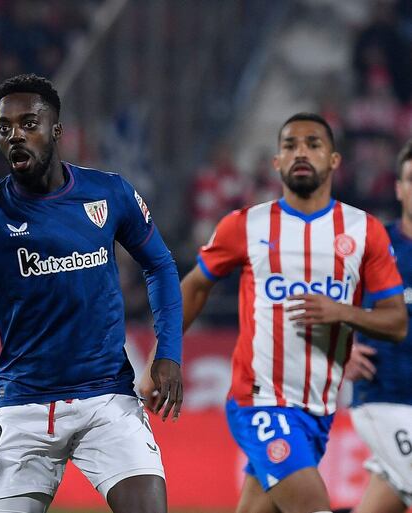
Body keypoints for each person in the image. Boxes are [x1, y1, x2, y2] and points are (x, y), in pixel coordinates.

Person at [0, 74, 183, 513]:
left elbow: (160, 265)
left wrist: (169, 352)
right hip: (23, 408)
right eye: (5, 127)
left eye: (29, 123)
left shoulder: (109, 193)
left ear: (56, 130)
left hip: (106, 398)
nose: (16, 135)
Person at [140, 113, 407, 513]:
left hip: (317, 409)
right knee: (312, 505)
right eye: (290, 145)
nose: (301, 152)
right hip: (259, 401)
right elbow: (194, 286)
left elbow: (396, 322)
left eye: (313, 144)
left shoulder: (363, 231)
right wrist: (162, 356)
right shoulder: (246, 225)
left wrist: (344, 313)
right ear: (277, 162)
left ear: (334, 160)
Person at [338, 139, 412, 513]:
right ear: (398, 187)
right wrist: (339, 353)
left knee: (387, 497)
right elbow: (319, 299)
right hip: (384, 398)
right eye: (411, 179)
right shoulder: (372, 245)